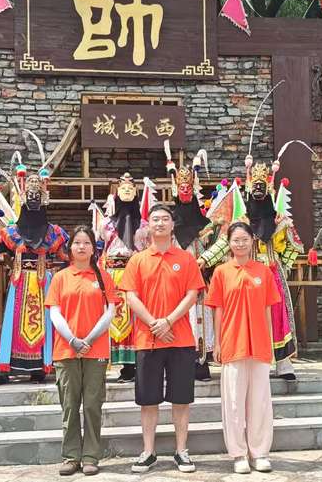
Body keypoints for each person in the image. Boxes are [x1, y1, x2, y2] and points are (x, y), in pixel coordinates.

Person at [200, 145, 310, 380]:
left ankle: (283, 363)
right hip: (245, 274)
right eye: (255, 186)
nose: (259, 190)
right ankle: (250, 359)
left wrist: (284, 263)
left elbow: (294, 246)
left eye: (263, 186)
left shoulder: (280, 219)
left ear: (269, 189)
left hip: (271, 273)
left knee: (278, 318)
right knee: (247, 319)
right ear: (249, 189)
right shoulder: (241, 221)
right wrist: (204, 259)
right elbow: (224, 244)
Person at [0, 133, 69, 384]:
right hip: (19, 283)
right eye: (30, 195)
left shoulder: (54, 233)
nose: (34, 199)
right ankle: (7, 367)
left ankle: (41, 367)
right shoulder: (12, 232)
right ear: (23, 199)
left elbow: (68, 257)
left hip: (44, 283)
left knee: (44, 323)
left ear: (44, 200)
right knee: (13, 324)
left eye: (38, 195)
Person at [120, 204, 205, 473]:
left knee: (181, 398)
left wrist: (168, 321)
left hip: (180, 339)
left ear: (172, 224)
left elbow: (192, 294)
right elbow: (130, 296)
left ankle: (182, 450)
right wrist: (154, 324)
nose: (160, 223)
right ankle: (148, 451)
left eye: (165, 219)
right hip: (148, 340)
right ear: (148, 225)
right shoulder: (137, 260)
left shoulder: (186, 259)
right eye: (155, 219)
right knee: (148, 399)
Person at [205, 222, 279, 474]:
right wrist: (217, 342)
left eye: (244, 239)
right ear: (229, 243)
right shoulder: (221, 272)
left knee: (260, 401)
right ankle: (238, 454)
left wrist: (270, 341)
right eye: (235, 240)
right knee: (234, 401)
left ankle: (259, 452)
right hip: (232, 342)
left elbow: (268, 309)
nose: (240, 244)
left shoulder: (263, 271)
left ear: (252, 241)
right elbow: (218, 310)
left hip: (259, 343)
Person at [46, 226, 119, 477]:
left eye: (86, 242)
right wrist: (72, 339)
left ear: (93, 248)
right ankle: (71, 456)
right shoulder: (60, 277)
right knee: (69, 405)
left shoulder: (103, 277)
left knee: (92, 405)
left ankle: (90, 456)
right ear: (70, 248)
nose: (81, 247)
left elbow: (110, 312)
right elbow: (54, 313)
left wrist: (88, 339)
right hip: (66, 350)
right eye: (77, 242)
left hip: (95, 349)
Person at [163, 141, 217, 382]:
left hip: (199, 280)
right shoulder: (168, 223)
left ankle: (200, 362)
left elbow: (215, 248)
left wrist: (206, 260)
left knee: (200, 319)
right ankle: (178, 364)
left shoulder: (206, 224)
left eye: (188, 187)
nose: (185, 191)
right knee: (176, 317)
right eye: (181, 187)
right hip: (174, 280)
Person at [94, 173, 153, 383]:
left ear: (136, 193)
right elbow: (99, 249)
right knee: (111, 316)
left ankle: (133, 365)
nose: (126, 191)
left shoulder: (145, 226)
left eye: (130, 188)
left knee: (135, 318)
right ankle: (107, 361)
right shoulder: (105, 224)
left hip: (135, 275)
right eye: (123, 188)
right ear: (116, 193)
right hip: (111, 275)